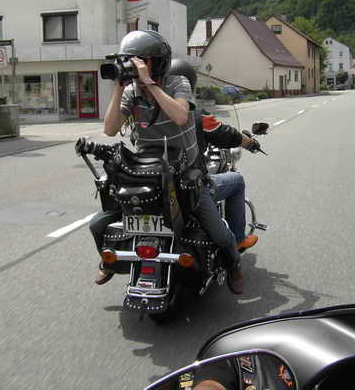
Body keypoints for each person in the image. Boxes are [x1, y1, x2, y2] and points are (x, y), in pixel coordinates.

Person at [90, 30, 243, 294]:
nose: (133, 67)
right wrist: (118, 87)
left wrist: (150, 84)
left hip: (186, 175)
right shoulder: (131, 92)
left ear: (158, 62)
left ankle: (233, 264)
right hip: (149, 176)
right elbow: (110, 129)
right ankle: (111, 260)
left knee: (219, 234)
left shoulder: (177, 82)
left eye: (140, 60)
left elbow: (181, 116)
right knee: (97, 224)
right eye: (129, 61)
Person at [166, 59, 258, 251]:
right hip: (189, 184)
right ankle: (238, 239)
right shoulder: (197, 116)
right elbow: (226, 134)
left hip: (161, 183)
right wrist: (250, 143)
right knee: (237, 181)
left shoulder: (148, 117)